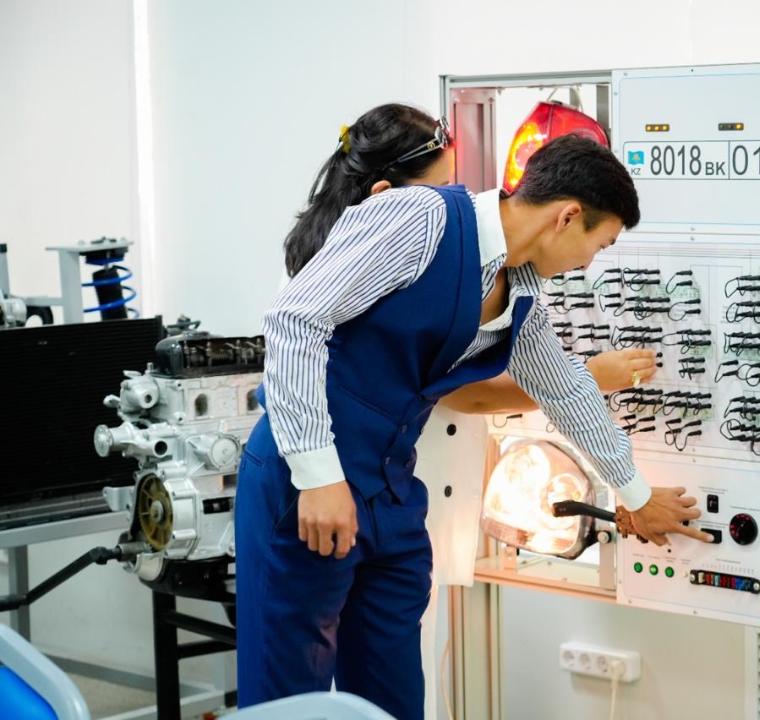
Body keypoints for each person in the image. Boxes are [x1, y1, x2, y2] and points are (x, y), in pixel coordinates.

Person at [235, 103, 708, 719]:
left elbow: (565, 391)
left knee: (392, 699)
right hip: (303, 483)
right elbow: (295, 319)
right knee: (288, 700)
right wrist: (318, 477)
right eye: (599, 244)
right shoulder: (421, 218)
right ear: (567, 216)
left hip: (390, 496)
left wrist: (637, 494)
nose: (589, 263)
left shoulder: (521, 290)